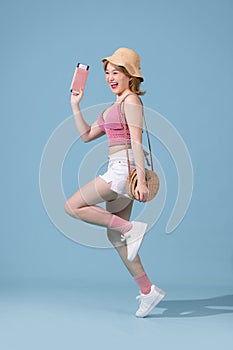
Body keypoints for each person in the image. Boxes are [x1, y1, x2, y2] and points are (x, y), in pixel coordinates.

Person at [64, 47, 166, 317]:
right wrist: (76, 105)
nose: (110, 77)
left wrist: (141, 180)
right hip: (117, 169)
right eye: (107, 73)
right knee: (114, 235)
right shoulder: (114, 106)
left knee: (72, 207)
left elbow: (135, 140)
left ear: (130, 76)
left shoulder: (131, 101)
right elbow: (86, 135)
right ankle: (148, 291)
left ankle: (132, 228)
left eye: (116, 72)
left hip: (122, 171)